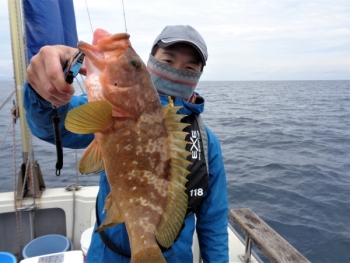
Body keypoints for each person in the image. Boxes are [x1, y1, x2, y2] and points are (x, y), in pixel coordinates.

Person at [24, 25, 228, 262]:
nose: (176, 71)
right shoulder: (111, 110)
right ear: (151, 62)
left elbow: (213, 220)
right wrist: (44, 93)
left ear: (198, 76)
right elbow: (50, 127)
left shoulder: (206, 142)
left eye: (190, 67)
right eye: (168, 60)